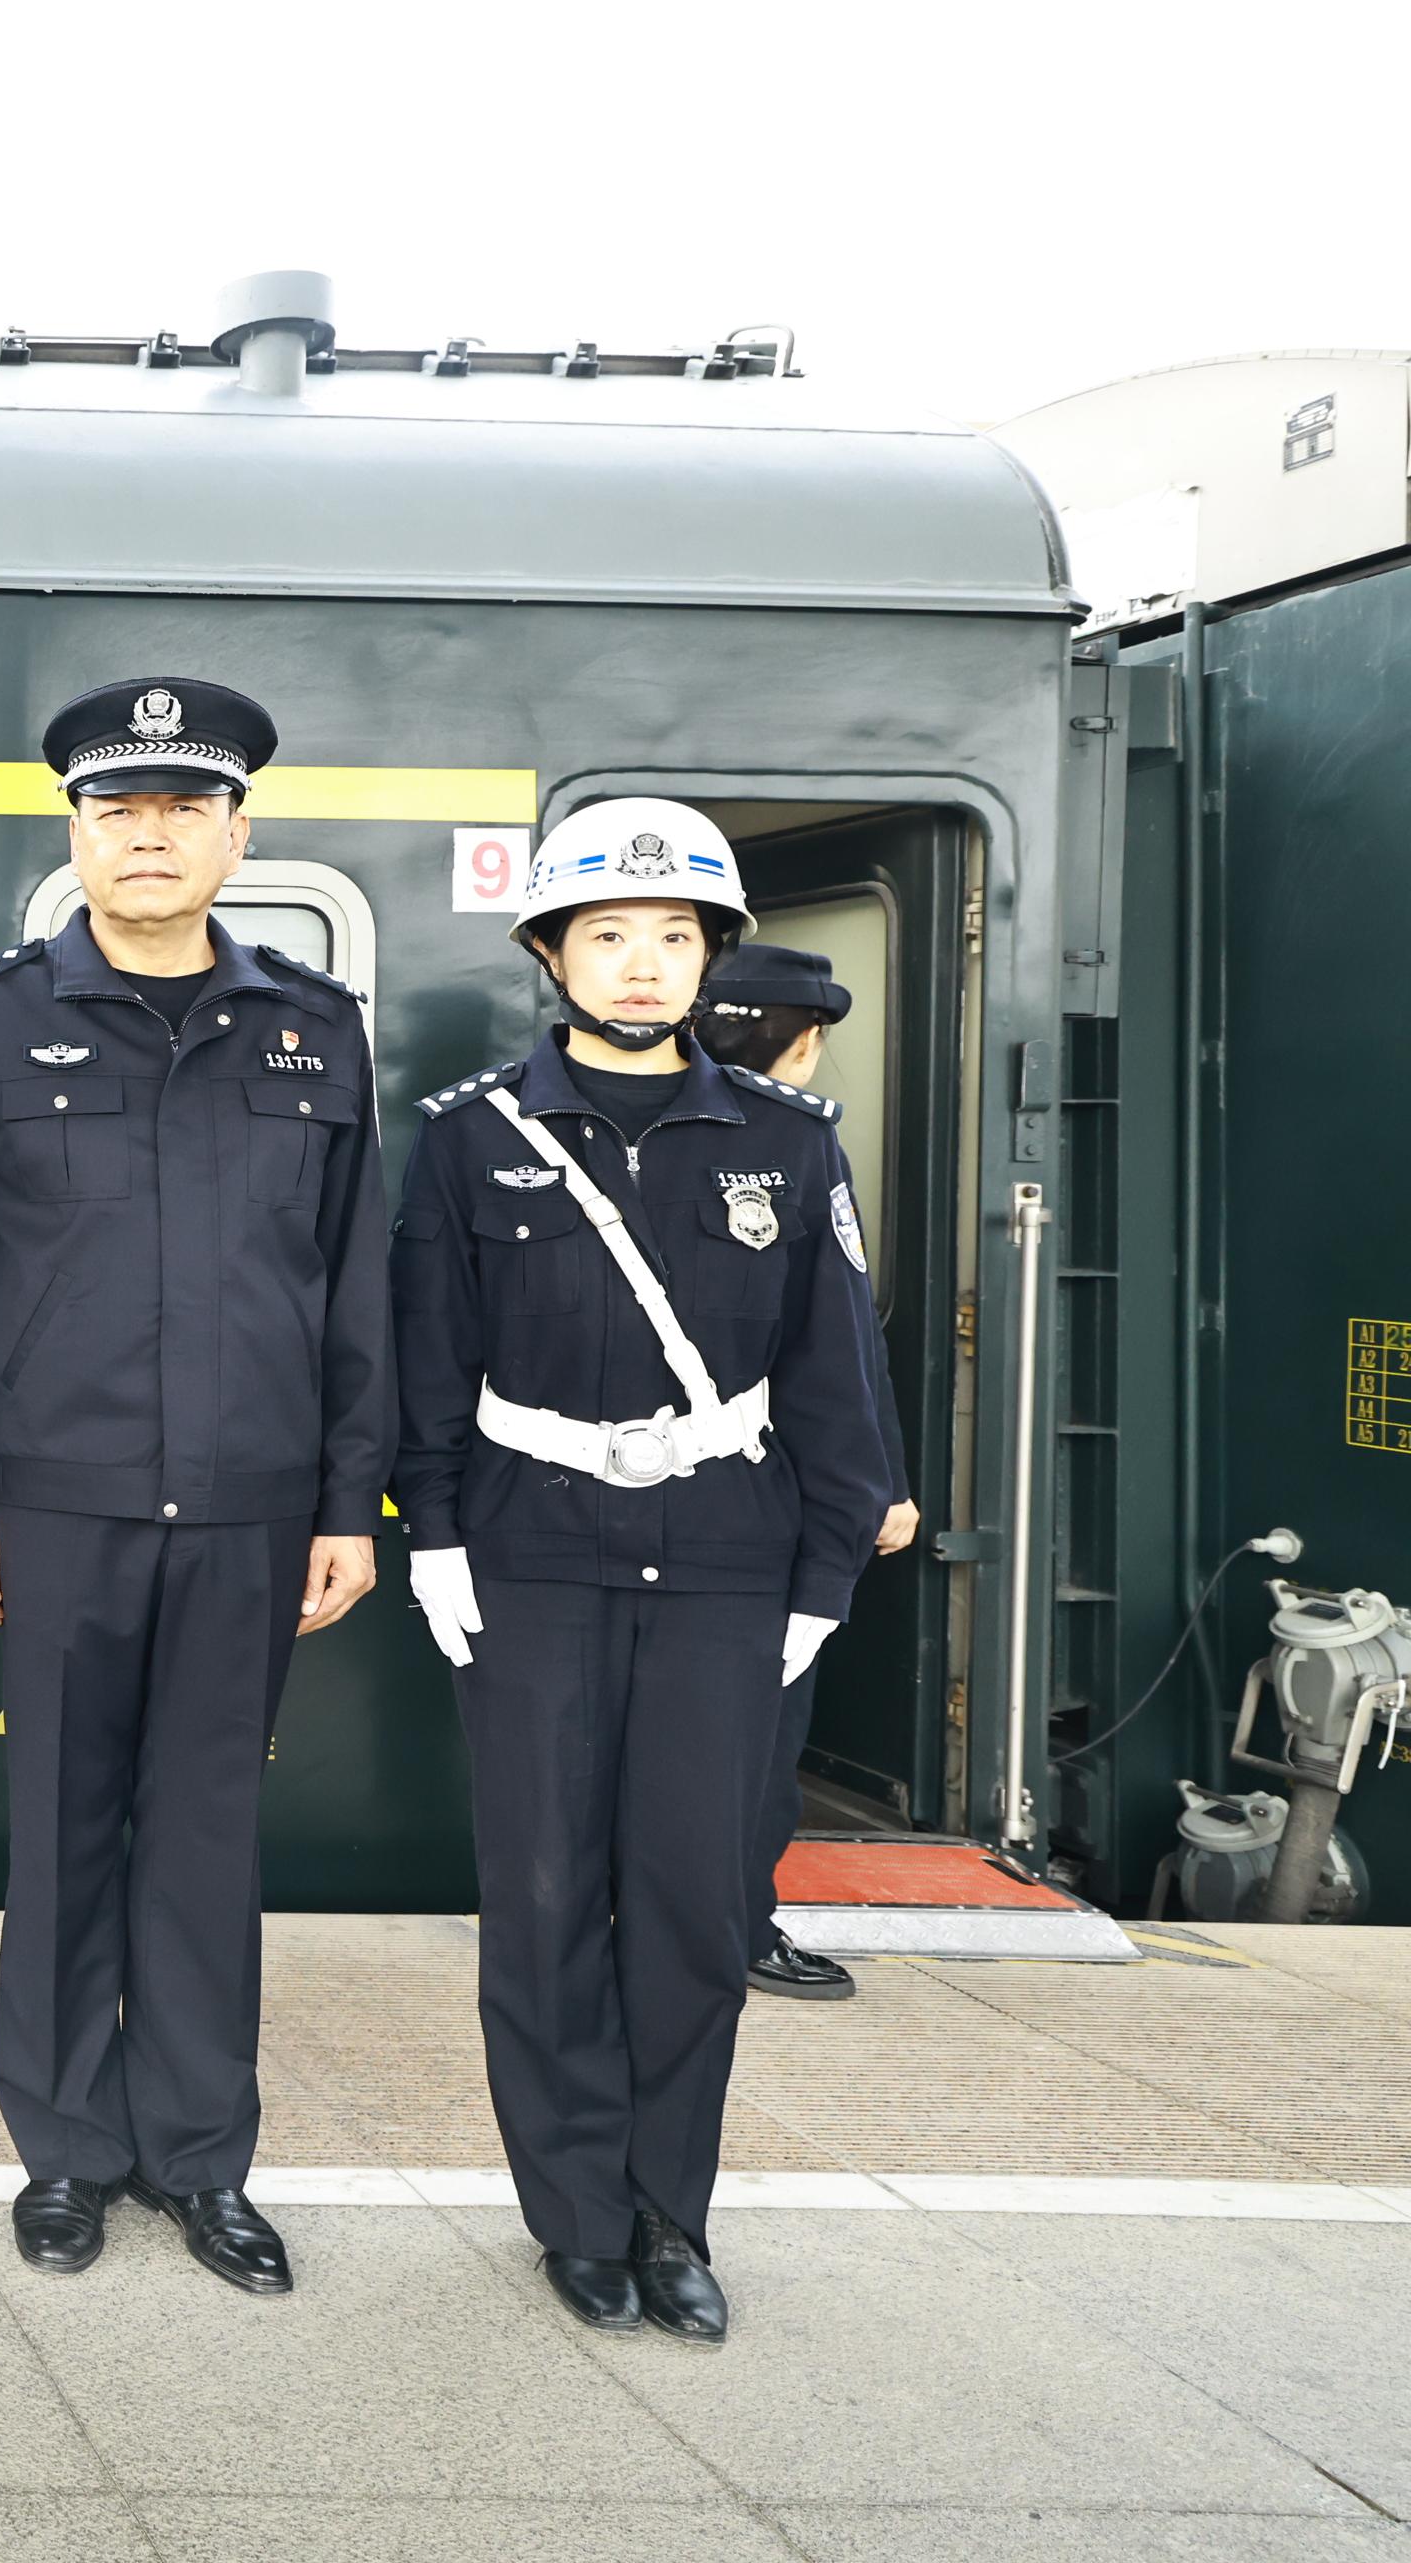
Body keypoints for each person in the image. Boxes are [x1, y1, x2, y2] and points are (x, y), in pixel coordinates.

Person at [0, 677, 391, 2299]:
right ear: (76, 835)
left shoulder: (314, 1029)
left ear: (239, 835)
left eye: (187, 807)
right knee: (59, 1837)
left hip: (252, 1506)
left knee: (206, 1840)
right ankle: (63, 2152)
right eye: (120, 809)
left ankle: (199, 2160)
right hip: (56, 1504)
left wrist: (348, 1501)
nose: (152, 835)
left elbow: (356, 1284)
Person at [391, 799, 897, 2343]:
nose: (640, 962)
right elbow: (427, 1361)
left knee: (691, 1904)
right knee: (544, 1894)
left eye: (674, 936)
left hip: (728, 1563)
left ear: (708, 959)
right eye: (607, 933)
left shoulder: (788, 1142)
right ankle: (573, 2217)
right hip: (532, 1556)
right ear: (552, 954)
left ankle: (671, 2214)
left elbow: (838, 1376)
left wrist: (825, 1575)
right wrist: (436, 1535)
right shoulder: (473, 1136)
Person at [694, 941, 922, 2002]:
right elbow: (843, 1351)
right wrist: (880, 1485)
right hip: (767, 1502)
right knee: (762, 1731)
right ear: (805, 1040)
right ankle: (736, 1926)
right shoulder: (797, 1146)